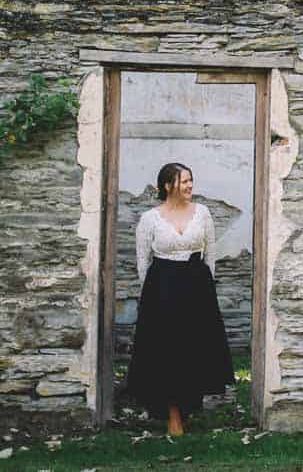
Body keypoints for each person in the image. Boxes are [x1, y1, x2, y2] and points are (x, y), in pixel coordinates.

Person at [126, 162, 235, 436]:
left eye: (190, 181)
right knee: (167, 351)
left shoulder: (203, 213)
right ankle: (172, 413)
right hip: (161, 289)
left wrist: (204, 287)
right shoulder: (150, 219)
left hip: (197, 287)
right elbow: (142, 262)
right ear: (167, 186)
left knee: (193, 348)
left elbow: (210, 255)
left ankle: (189, 405)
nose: (189, 186)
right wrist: (154, 293)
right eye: (184, 181)